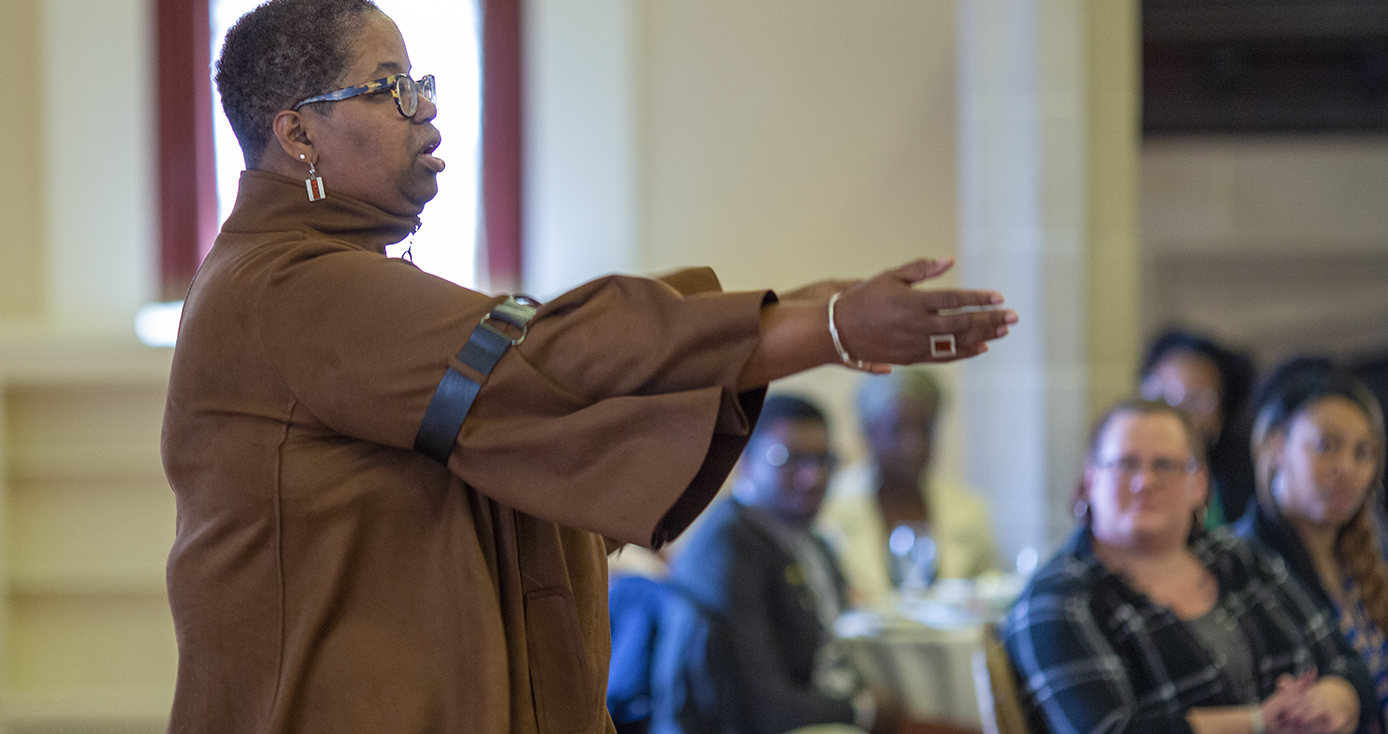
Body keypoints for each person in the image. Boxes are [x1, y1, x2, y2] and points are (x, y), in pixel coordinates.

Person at [161, 1, 1018, 732]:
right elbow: (544, 365)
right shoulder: (286, 288)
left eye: (424, 86)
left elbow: (543, 393)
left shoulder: (339, 280)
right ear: (298, 131)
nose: (427, 113)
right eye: (393, 88)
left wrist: (795, 312)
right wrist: (816, 328)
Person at [1002, 399, 1373, 734]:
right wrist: (1258, 722)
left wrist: (1334, 700)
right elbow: (1107, 730)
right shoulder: (1058, 599)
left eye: (1165, 465)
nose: (1145, 482)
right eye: (1125, 464)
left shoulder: (1239, 556)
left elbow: (1347, 661)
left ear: (1198, 484)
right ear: (1090, 482)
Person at [658, 396, 891, 734]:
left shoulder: (805, 535)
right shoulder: (729, 547)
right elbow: (764, 706)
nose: (813, 477)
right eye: (790, 459)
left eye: (824, 460)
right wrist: (861, 711)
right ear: (745, 463)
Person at [1235, 362, 1388, 730]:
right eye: (1325, 446)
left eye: (1362, 453)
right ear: (1276, 448)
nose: (1346, 468)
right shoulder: (1239, 561)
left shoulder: (1371, 551)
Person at [817, 367, 995, 605]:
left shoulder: (968, 508)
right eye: (897, 430)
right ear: (869, 433)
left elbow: (992, 590)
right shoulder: (830, 507)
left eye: (925, 429)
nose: (914, 446)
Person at [1140, 330, 1258, 525]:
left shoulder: (1240, 478)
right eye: (1166, 398)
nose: (1179, 414)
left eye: (1198, 400)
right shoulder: (1118, 467)